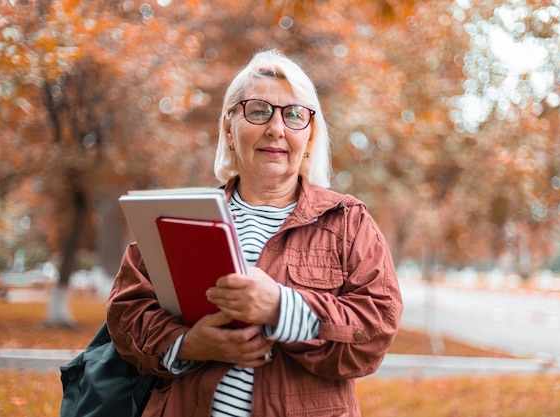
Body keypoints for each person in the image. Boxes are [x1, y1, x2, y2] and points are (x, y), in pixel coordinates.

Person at [107, 49, 403, 417]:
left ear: (309, 137)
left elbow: (376, 328)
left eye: (294, 114)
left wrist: (281, 308)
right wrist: (187, 344)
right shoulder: (180, 216)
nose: (276, 128)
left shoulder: (347, 221)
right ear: (229, 127)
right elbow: (126, 312)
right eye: (258, 110)